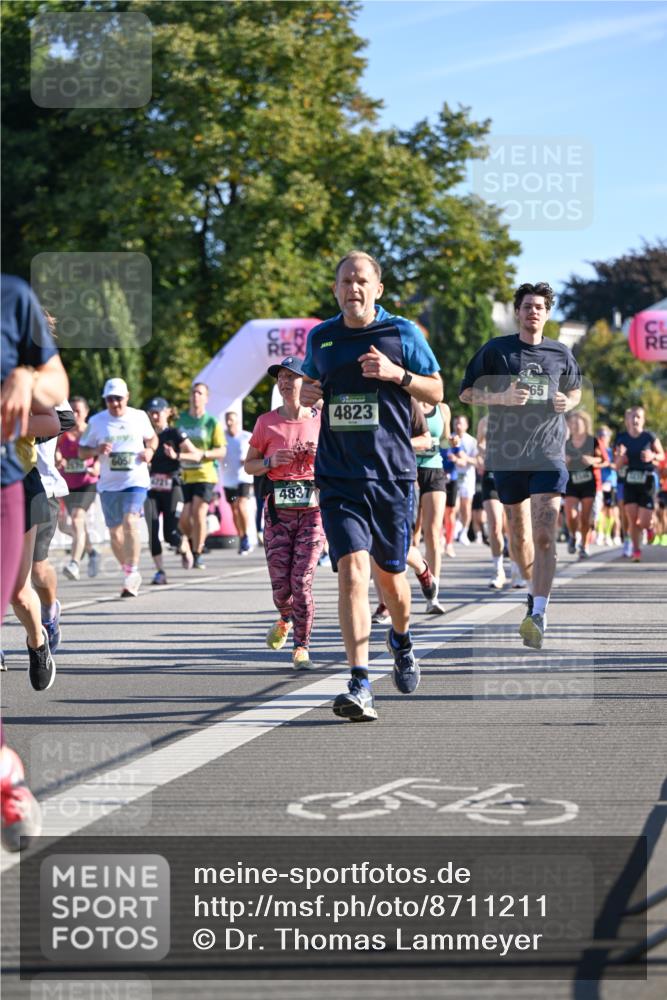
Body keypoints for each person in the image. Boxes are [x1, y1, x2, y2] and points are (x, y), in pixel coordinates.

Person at [300, 251, 443, 722]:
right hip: (339, 476)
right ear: (335, 289)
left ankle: (401, 640)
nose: (353, 289)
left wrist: (396, 374)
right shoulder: (321, 338)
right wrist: (307, 392)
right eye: (345, 281)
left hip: (392, 476)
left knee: (392, 581)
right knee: (352, 573)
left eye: (362, 281)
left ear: (377, 289)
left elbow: (437, 390)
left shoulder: (402, 333)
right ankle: (360, 682)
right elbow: (310, 386)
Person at [460, 281, 582, 650]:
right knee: (519, 536)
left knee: (544, 534)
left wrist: (568, 402)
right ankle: (532, 591)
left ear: (547, 313)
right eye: (527, 306)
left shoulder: (560, 353)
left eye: (539, 307)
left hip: (548, 453)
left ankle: (539, 611)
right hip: (507, 454)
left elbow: (575, 389)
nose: (533, 312)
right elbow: (466, 392)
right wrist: (502, 397)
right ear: (518, 312)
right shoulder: (497, 350)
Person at [1, 273, 68, 847]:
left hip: (19, 484)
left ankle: (37, 638)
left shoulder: (12, 302)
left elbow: (56, 415)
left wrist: (21, 391)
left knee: (19, 594)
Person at [244, 356, 325, 669]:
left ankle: (301, 646)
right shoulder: (266, 422)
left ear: (305, 382)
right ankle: (285, 617)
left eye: (291, 377)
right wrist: (269, 462)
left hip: (313, 511)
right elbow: (249, 465)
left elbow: (344, 457)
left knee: (301, 581)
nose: (285, 383)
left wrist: (323, 455)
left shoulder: (321, 420)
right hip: (278, 512)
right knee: (281, 588)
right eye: (281, 378)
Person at [79, 377, 157, 597]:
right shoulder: (96, 421)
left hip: (135, 480)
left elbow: (152, 439)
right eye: (110, 399)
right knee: (114, 533)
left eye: (118, 398)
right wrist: (96, 450)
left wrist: (150, 451)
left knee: (130, 520)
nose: (114, 403)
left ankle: (132, 572)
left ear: (127, 397)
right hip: (108, 485)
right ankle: (129, 570)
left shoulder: (139, 416)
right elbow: (82, 451)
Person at [33, 399, 76, 654]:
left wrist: (20, 431)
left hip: (41, 488)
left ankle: (49, 614)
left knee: (37, 569)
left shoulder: (39, 383)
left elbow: (67, 418)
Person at [144, 396, 199, 584]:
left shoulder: (174, 433)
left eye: (158, 412)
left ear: (167, 412)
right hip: (151, 489)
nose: (154, 416)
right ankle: (160, 572)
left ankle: (183, 546)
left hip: (172, 487)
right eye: (152, 413)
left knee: (170, 534)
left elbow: (195, 455)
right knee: (152, 529)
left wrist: (176, 455)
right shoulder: (146, 436)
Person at [177, 382, 225, 570]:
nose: (196, 396)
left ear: (206, 398)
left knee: (198, 513)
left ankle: (197, 553)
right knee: (183, 517)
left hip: (205, 474)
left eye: (200, 393)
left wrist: (202, 454)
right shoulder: (180, 420)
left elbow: (221, 451)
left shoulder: (211, 422)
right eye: (193, 392)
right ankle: (191, 541)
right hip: (184, 474)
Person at [56, 396, 101, 579]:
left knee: (76, 519)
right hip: (68, 484)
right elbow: (54, 450)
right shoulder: (62, 432)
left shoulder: (92, 431)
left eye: (78, 411)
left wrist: (97, 465)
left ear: (86, 413)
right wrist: (58, 458)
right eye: (71, 410)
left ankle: (74, 563)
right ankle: (92, 552)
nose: (74, 414)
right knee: (66, 525)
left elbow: (102, 453)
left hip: (87, 483)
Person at [413, 400, 450, 612]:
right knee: (411, 537)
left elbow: (444, 441)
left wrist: (450, 441)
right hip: (410, 470)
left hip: (434, 470)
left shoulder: (443, 409)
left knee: (433, 533)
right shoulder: (409, 402)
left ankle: (433, 596)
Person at [614, 405, 664, 562]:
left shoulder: (649, 437)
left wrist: (652, 456)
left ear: (643, 420)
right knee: (632, 518)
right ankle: (636, 551)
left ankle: (649, 527)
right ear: (627, 420)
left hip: (646, 481)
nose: (635, 420)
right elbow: (616, 466)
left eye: (638, 417)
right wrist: (621, 456)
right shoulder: (621, 439)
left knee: (644, 521)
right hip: (629, 481)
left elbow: (662, 456)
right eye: (632, 417)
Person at [563, 410, 605, 559]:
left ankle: (584, 546)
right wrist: (564, 461)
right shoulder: (565, 443)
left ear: (585, 423)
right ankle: (573, 536)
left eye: (577, 422)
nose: (573, 425)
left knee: (585, 518)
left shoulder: (593, 441)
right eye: (571, 422)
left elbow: (604, 460)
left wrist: (592, 460)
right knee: (571, 515)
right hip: (572, 483)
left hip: (589, 484)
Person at [476, 414, 509, 589]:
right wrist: (483, 453)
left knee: (513, 527)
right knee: (495, 525)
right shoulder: (485, 421)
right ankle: (498, 570)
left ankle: (518, 569)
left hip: (512, 475)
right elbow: (480, 443)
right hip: (491, 476)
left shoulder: (517, 418)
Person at [223, 410, 254, 555]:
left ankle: (247, 535)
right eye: (228, 420)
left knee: (241, 505)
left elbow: (256, 453)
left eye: (232, 420)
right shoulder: (221, 438)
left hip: (244, 477)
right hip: (228, 479)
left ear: (237, 421)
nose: (230, 423)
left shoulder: (246, 436)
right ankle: (241, 536)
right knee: (234, 510)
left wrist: (248, 460)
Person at [451, 414, 478, 545]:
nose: (458, 426)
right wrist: (455, 460)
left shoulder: (471, 441)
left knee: (466, 505)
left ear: (466, 425)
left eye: (460, 423)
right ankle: (455, 526)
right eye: (456, 423)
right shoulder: (449, 438)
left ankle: (464, 531)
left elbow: (477, 461)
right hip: (452, 475)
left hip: (467, 477)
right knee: (454, 505)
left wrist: (464, 459)